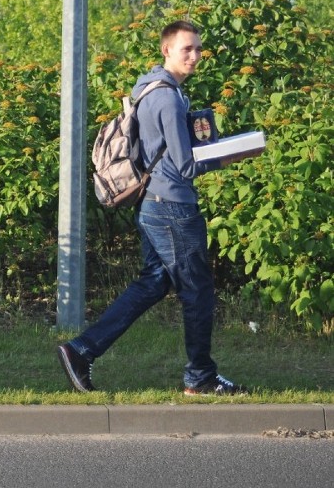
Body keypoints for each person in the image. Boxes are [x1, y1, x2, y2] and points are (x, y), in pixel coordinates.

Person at [57, 21, 263, 396]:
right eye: (187, 49)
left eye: (199, 49)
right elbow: (185, 166)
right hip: (173, 207)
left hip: (153, 203)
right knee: (197, 291)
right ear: (166, 50)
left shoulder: (150, 90)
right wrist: (232, 153)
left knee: (154, 282)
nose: (195, 56)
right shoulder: (168, 98)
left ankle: (80, 350)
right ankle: (200, 377)